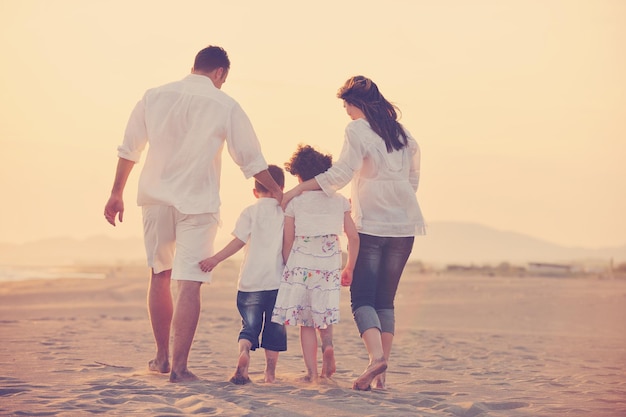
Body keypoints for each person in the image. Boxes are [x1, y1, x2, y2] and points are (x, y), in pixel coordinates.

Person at [103, 45, 283, 383]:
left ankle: (161, 358)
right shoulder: (224, 103)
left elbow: (130, 148)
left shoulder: (153, 96)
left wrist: (116, 193)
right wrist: (276, 191)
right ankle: (181, 368)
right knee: (189, 284)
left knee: (159, 274)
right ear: (220, 73)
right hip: (198, 203)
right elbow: (250, 159)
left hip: (155, 199)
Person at [280, 76, 425, 390]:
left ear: (356, 103)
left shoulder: (357, 129)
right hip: (404, 226)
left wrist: (298, 189)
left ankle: (376, 359)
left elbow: (341, 173)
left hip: (371, 224)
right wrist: (398, 205)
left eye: (346, 105)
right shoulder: (404, 134)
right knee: (386, 301)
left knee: (361, 300)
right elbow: (413, 179)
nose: (345, 111)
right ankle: (381, 376)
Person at [272, 144, 359, 383]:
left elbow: (287, 240)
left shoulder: (295, 202)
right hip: (329, 258)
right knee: (324, 311)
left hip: (302, 260)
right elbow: (353, 237)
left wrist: (290, 266)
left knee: (305, 320)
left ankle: (311, 373)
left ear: (298, 174)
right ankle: (328, 346)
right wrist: (349, 265)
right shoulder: (339, 200)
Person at [198, 165, 287, 385]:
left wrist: (215, 259)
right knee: (274, 328)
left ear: (254, 191)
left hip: (250, 283)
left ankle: (245, 352)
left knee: (249, 327)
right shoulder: (286, 212)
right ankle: (269, 374)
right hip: (278, 283)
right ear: (282, 188)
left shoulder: (249, 212)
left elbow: (237, 242)